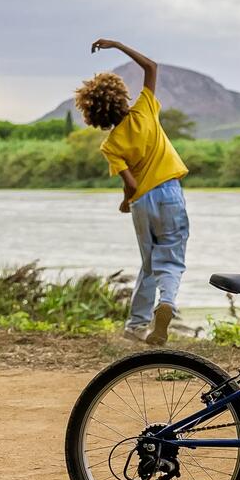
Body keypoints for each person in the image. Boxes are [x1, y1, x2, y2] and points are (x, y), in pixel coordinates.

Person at [78, 39, 189, 345]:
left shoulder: (110, 145)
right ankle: (166, 302)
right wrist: (116, 45)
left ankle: (136, 323)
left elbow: (131, 184)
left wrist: (126, 203)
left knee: (150, 262)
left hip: (142, 203)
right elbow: (151, 67)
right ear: (120, 97)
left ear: (94, 116)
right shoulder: (144, 111)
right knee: (172, 259)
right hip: (169, 194)